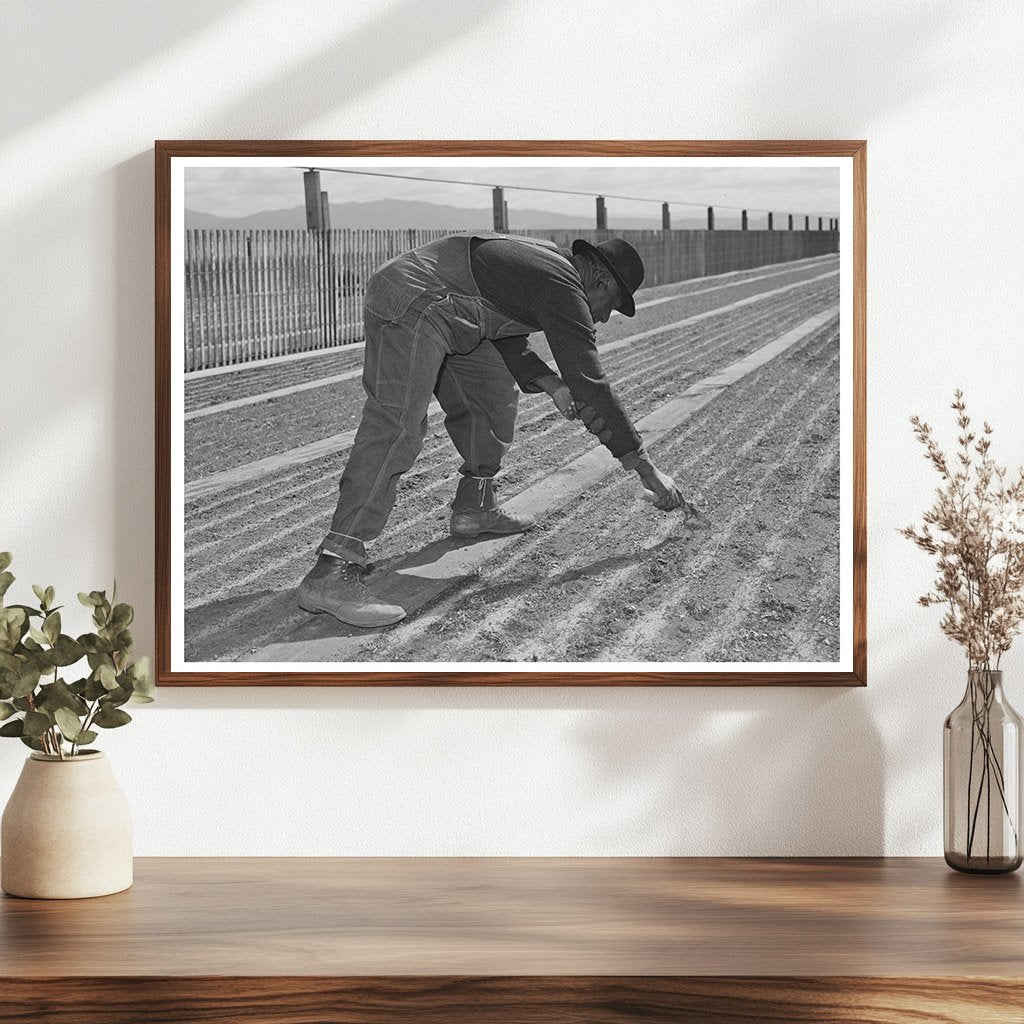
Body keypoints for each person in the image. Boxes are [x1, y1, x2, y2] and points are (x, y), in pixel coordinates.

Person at [297, 232, 684, 627]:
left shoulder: (549, 270)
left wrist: (552, 385)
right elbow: (590, 384)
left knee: (492, 396)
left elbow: (506, 333)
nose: (602, 318)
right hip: (415, 299)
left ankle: (475, 507)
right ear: (600, 281)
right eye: (611, 307)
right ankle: (333, 568)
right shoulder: (563, 285)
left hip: (455, 312)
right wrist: (647, 469)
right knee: (398, 424)